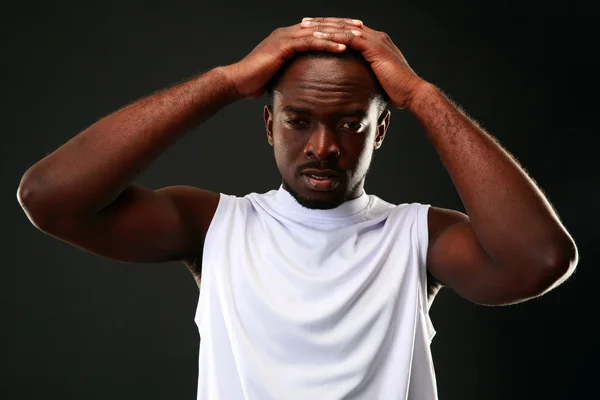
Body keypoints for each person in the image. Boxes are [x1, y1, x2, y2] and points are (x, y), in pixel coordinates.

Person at [17, 16, 578, 399]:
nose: (323, 147)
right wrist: (229, 81)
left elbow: (540, 259)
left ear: (381, 131)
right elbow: (49, 197)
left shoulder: (417, 236)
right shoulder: (214, 225)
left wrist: (419, 95)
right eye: (298, 119)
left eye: (349, 123)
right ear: (269, 124)